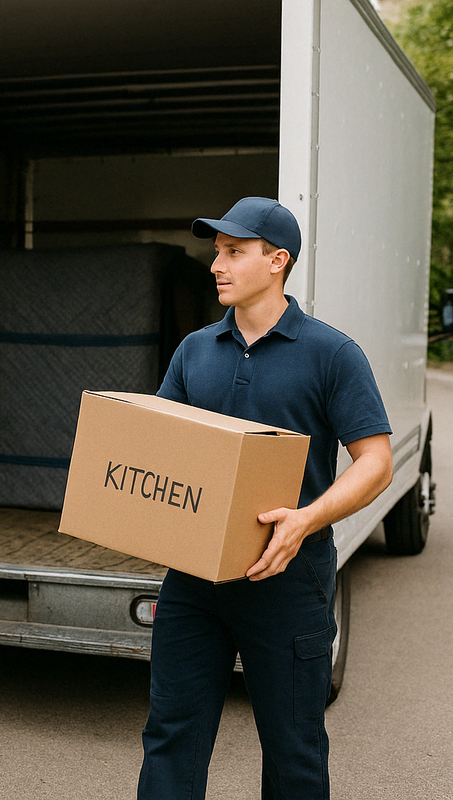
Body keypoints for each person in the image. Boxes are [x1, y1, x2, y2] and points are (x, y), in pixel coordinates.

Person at [137, 197, 394, 798]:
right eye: (217, 252)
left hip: (287, 580)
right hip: (195, 582)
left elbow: (376, 463)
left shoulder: (331, 354)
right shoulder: (194, 351)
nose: (216, 265)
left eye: (234, 252)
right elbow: (161, 448)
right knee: (171, 737)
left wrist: (306, 519)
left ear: (277, 261)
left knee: (293, 750)